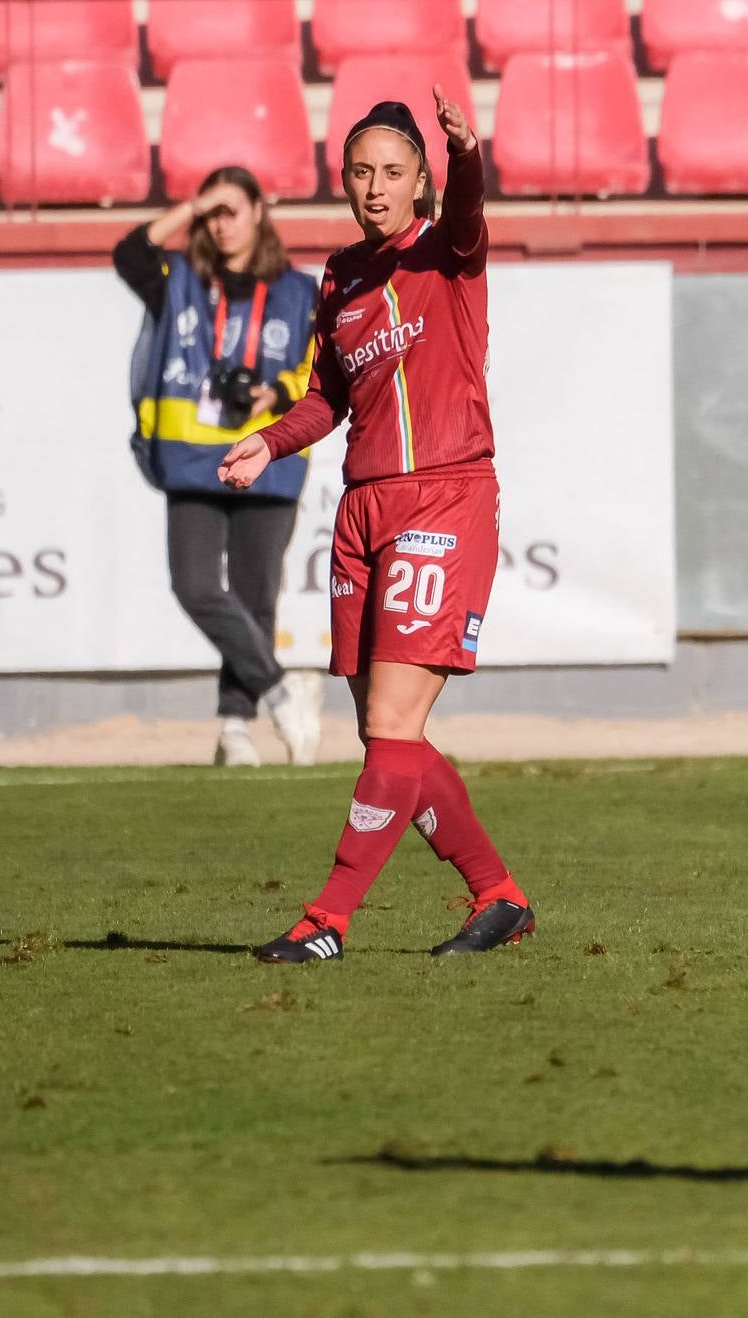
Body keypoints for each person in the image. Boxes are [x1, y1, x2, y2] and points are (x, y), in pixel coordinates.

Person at [219, 90, 533, 961]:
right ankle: (498, 897)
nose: (373, 187)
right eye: (359, 172)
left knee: (392, 726)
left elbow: (469, 206)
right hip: (364, 511)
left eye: (392, 172)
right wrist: (268, 442)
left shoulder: (450, 252)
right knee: (383, 734)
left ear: (420, 181)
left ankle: (327, 919)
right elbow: (327, 397)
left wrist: (467, 152)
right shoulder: (340, 276)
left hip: (443, 497)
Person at [116, 166, 325, 767]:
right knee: (197, 586)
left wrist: (275, 394)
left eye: (232, 209)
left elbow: (324, 371)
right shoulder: (178, 278)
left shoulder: (301, 291)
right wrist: (190, 205)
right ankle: (282, 688)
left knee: (256, 597)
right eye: (212, 214)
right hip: (192, 459)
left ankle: (235, 727)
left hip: (268, 455)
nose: (222, 224)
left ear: (260, 210)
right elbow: (130, 252)